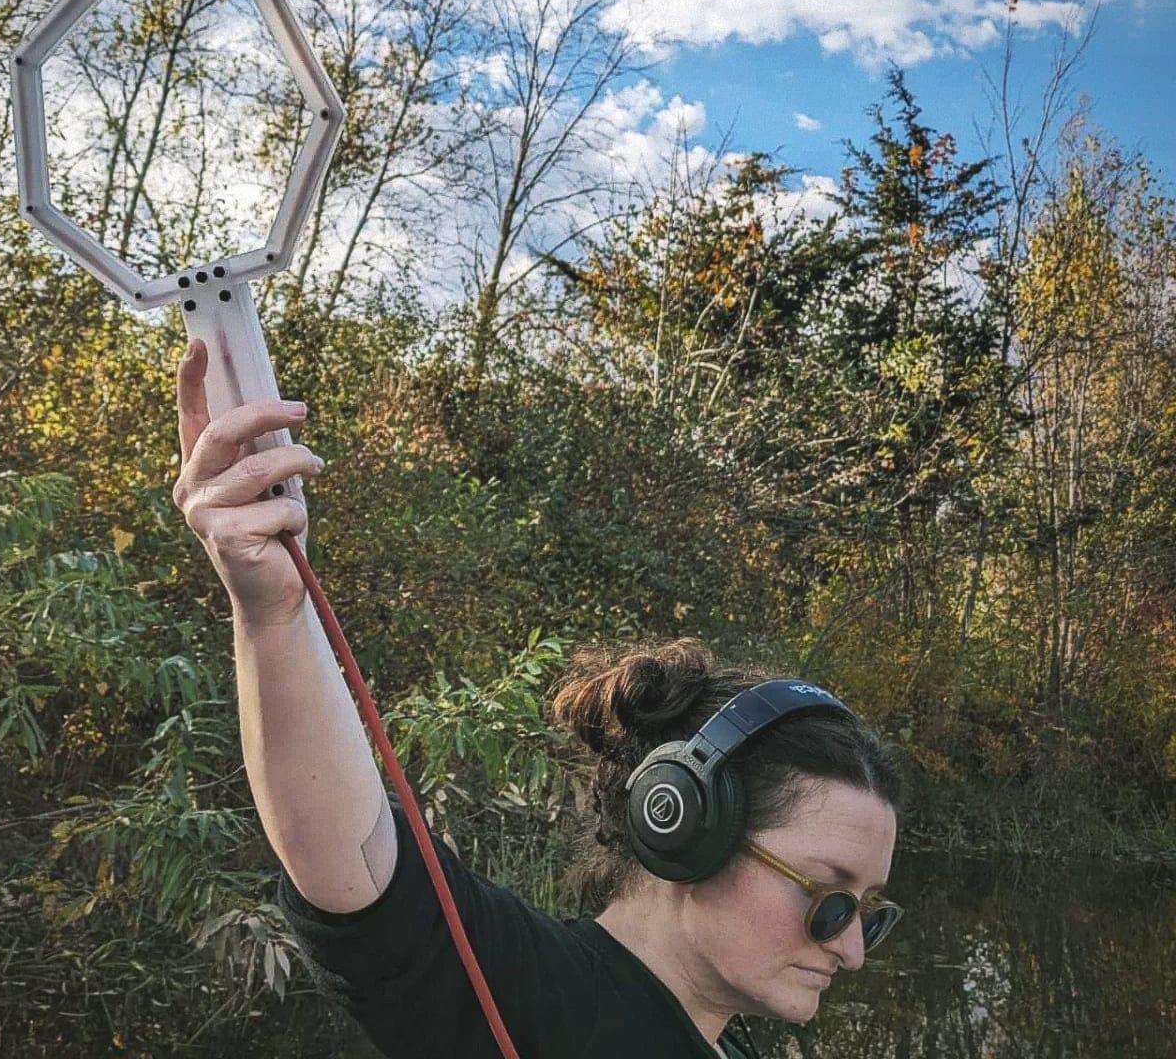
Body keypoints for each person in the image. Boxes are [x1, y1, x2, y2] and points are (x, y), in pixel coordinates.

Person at [173, 341, 905, 1058]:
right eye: (826, 898)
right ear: (686, 827)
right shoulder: (547, 1001)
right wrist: (273, 613)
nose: (849, 952)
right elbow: (354, 864)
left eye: (866, 915)